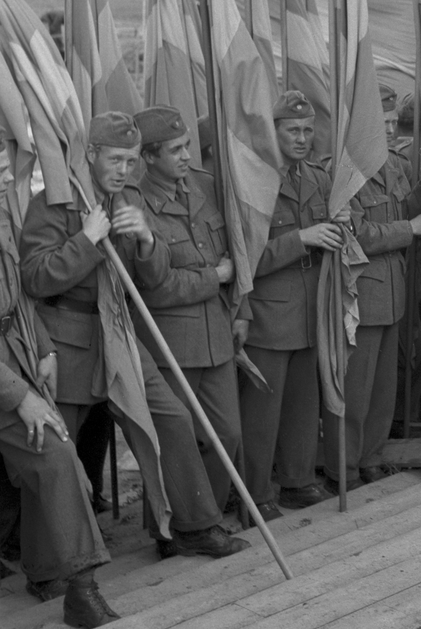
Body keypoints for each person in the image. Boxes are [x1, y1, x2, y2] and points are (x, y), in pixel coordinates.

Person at [19, 112, 247, 560]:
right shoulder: (55, 203)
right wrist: (87, 239)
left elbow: (154, 278)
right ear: (90, 154)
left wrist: (146, 240)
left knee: (173, 418)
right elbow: (36, 278)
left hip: (118, 332)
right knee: (58, 450)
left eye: (130, 160)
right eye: (115, 159)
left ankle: (193, 526)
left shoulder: (128, 201)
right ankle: (48, 565)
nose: (124, 169)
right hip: (68, 338)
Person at [0, 146, 117, 628]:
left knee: (55, 454)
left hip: (14, 357)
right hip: (6, 381)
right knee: (55, 453)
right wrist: (19, 396)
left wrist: (46, 348)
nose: (7, 172)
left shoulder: (3, 217)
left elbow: (17, 300)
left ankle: (75, 585)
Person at [133, 106, 242, 513]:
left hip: (217, 335)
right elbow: (156, 288)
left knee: (226, 434)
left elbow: (236, 253)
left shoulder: (206, 186)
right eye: (175, 150)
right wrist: (215, 277)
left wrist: (242, 309)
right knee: (173, 442)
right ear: (148, 156)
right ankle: (173, 526)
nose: (186, 156)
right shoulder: (137, 206)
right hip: (172, 343)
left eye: (187, 146)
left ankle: (205, 516)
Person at [239, 90, 339, 522]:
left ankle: (297, 481)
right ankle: (256, 493)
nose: (302, 138)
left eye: (308, 130)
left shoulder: (316, 177)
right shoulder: (254, 181)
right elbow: (246, 257)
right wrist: (300, 239)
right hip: (269, 314)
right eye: (292, 130)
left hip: (310, 309)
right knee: (261, 414)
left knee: (303, 405)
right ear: (272, 131)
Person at [323, 81, 421, 491]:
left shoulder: (394, 166)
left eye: (390, 120)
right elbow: (358, 235)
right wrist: (409, 229)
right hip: (361, 292)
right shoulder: (345, 172)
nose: (386, 128)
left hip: (393, 291)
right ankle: (344, 468)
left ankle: (371, 456)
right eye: (377, 121)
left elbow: (408, 205)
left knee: (384, 388)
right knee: (356, 389)